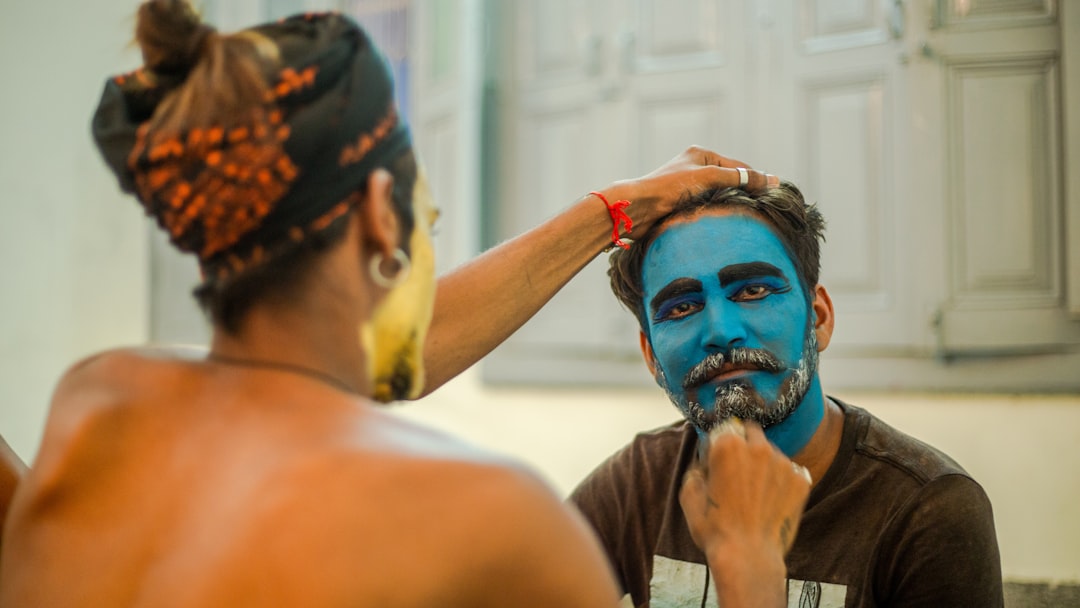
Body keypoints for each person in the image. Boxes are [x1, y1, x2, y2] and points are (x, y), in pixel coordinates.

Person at [0, 2, 809, 606]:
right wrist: (745, 564)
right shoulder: (494, 523)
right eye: (428, 227)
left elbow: (382, 357)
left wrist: (614, 210)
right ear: (379, 219)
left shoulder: (102, 402)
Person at [570, 184, 1005, 607]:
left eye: (753, 290)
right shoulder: (636, 484)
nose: (721, 331)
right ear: (650, 356)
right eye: (681, 307)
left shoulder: (927, 509)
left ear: (818, 318)